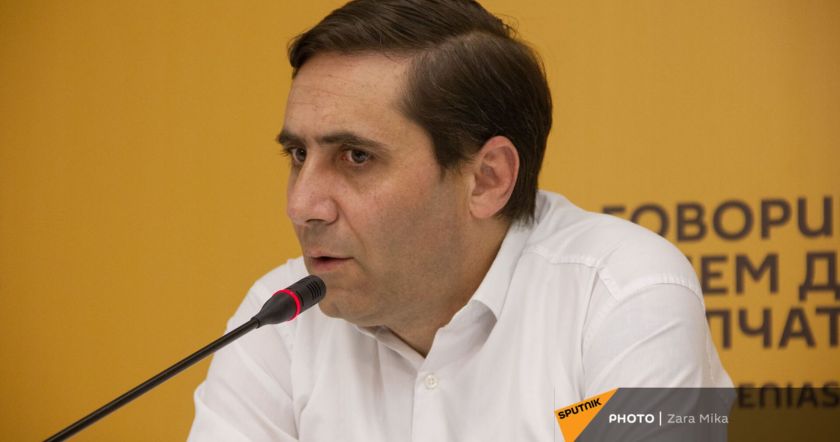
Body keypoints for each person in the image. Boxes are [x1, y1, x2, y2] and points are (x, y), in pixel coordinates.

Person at [189, 0, 731, 440]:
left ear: (487, 178)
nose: (302, 205)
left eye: (356, 157)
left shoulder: (623, 295)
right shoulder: (279, 321)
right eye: (298, 155)